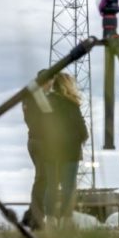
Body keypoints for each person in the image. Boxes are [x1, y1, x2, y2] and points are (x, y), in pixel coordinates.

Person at [43, 72, 88, 227]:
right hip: (70, 153)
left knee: (51, 186)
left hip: (51, 152)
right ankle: (65, 220)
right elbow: (83, 131)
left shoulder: (47, 102)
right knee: (69, 187)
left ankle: (50, 220)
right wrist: (76, 140)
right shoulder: (71, 104)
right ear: (67, 85)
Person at [21, 71, 53, 230]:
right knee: (43, 179)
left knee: (42, 179)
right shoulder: (39, 96)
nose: (51, 85)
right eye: (50, 82)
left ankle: (33, 215)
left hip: (33, 140)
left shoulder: (28, 96)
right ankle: (35, 217)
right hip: (41, 141)